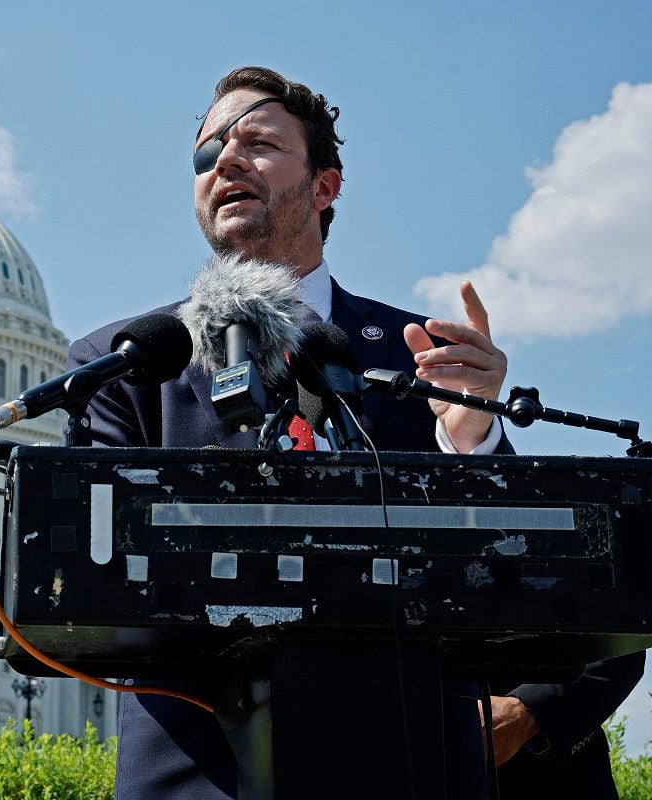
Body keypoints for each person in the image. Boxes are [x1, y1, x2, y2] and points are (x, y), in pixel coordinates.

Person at [67, 66, 642, 798]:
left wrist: (471, 442)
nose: (227, 161)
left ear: (324, 186)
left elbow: (527, 585)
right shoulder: (123, 363)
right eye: (208, 153)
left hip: (403, 765)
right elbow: (103, 584)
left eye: (258, 142)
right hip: (202, 774)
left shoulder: (418, 360)